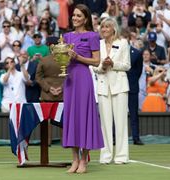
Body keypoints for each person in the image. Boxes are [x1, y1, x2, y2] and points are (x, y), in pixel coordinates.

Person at [62, 4, 104, 173]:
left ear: (86, 19)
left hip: (84, 78)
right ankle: (74, 160)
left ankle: (84, 161)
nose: (75, 18)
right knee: (72, 117)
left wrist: (78, 57)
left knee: (84, 116)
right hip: (69, 79)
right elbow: (62, 59)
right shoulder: (66, 36)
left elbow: (96, 61)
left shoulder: (93, 36)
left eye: (79, 16)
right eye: (74, 15)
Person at [94, 17, 130, 164]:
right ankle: (106, 156)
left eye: (107, 27)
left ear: (114, 29)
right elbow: (94, 66)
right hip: (103, 86)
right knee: (105, 123)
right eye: (102, 27)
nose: (104, 30)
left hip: (119, 86)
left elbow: (127, 65)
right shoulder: (98, 44)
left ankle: (121, 156)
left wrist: (113, 63)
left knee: (121, 122)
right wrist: (102, 66)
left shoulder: (122, 43)